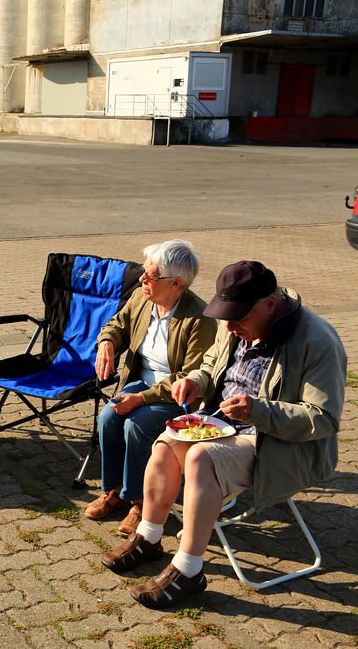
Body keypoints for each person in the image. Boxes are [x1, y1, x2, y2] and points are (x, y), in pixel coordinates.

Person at [99, 260, 346, 609]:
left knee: (201, 456)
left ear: (270, 304)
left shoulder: (317, 339)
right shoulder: (233, 325)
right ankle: (149, 537)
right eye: (226, 315)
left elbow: (323, 419)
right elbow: (207, 367)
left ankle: (189, 570)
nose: (229, 325)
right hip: (223, 426)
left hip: (276, 443)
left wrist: (259, 411)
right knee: (167, 442)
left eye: (239, 318)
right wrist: (194, 381)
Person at [86, 240, 216, 536]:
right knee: (107, 417)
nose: (143, 279)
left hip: (176, 393)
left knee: (137, 425)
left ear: (176, 283)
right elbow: (116, 324)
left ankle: (140, 502)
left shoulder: (199, 318)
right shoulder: (141, 297)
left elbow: (191, 375)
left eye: (151, 275)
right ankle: (114, 491)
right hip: (140, 379)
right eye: (144, 272)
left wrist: (140, 399)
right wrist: (106, 343)